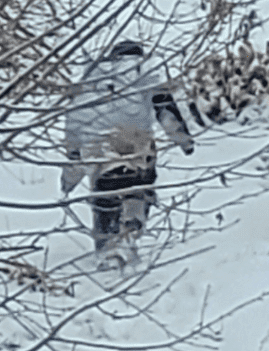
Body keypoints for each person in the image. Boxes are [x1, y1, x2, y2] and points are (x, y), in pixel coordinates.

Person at [62, 39, 194, 260]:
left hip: (99, 158)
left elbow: (74, 123)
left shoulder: (91, 81)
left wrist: (71, 172)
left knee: (104, 198)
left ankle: (106, 248)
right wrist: (184, 141)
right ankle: (132, 226)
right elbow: (165, 110)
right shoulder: (144, 71)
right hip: (137, 152)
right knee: (139, 187)